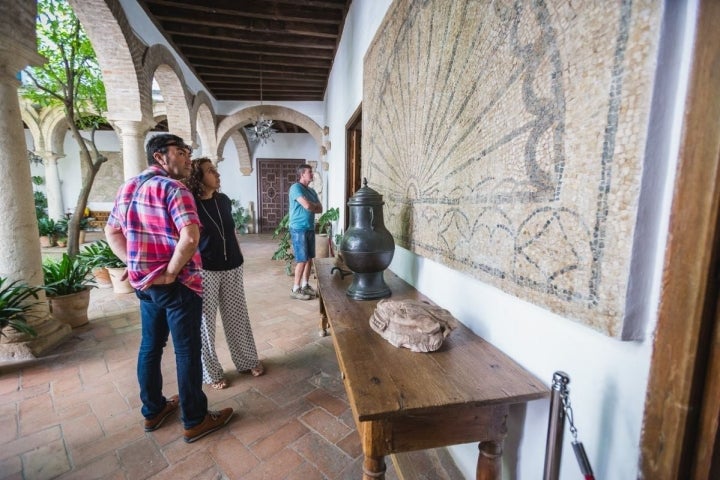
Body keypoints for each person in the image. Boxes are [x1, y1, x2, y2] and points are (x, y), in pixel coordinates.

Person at [104, 133, 233, 444]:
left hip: (146, 286)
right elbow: (189, 238)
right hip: (177, 285)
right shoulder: (174, 188)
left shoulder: (128, 187)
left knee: (151, 346)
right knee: (187, 350)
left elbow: (112, 231)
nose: (187, 157)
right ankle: (195, 419)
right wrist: (170, 272)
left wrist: (135, 265)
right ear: (160, 156)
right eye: (180, 152)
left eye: (187, 151)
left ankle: (153, 410)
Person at [185, 158, 264, 390]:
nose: (217, 174)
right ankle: (211, 372)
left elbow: (230, 232)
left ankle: (247, 360)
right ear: (198, 178)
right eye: (211, 171)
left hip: (232, 266)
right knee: (206, 324)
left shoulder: (224, 200)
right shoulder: (192, 205)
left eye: (216, 170)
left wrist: (238, 255)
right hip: (206, 270)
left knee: (238, 317)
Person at [288, 164, 323, 300]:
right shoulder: (295, 188)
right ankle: (295, 289)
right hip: (298, 228)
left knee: (309, 259)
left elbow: (320, 208)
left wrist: (311, 205)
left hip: (309, 227)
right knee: (302, 259)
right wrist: (312, 205)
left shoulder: (312, 191)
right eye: (310, 172)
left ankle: (305, 285)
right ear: (302, 174)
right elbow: (307, 205)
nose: (312, 174)